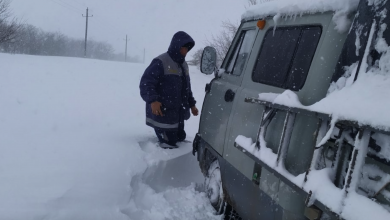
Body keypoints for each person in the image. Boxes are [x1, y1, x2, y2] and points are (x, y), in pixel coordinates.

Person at [139, 31, 199, 149]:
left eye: (187, 49)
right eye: (183, 48)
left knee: (180, 138)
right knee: (169, 143)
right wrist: (153, 100)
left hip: (178, 114)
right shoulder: (160, 62)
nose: (185, 51)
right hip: (164, 113)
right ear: (176, 46)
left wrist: (192, 105)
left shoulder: (183, 64)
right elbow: (146, 83)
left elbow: (187, 88)